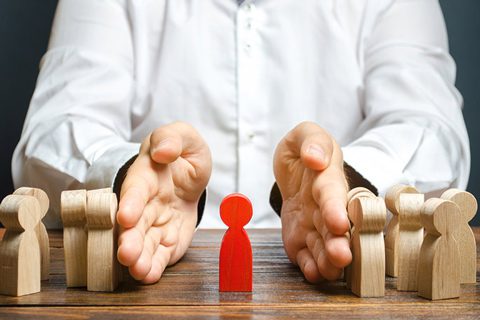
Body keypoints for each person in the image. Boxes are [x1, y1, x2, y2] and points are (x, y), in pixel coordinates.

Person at [13, 0, 470, 284]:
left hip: (332, 268)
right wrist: (126, 170)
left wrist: (346, 180)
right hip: (153, 270)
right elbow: (53, 131)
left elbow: (432, 128)